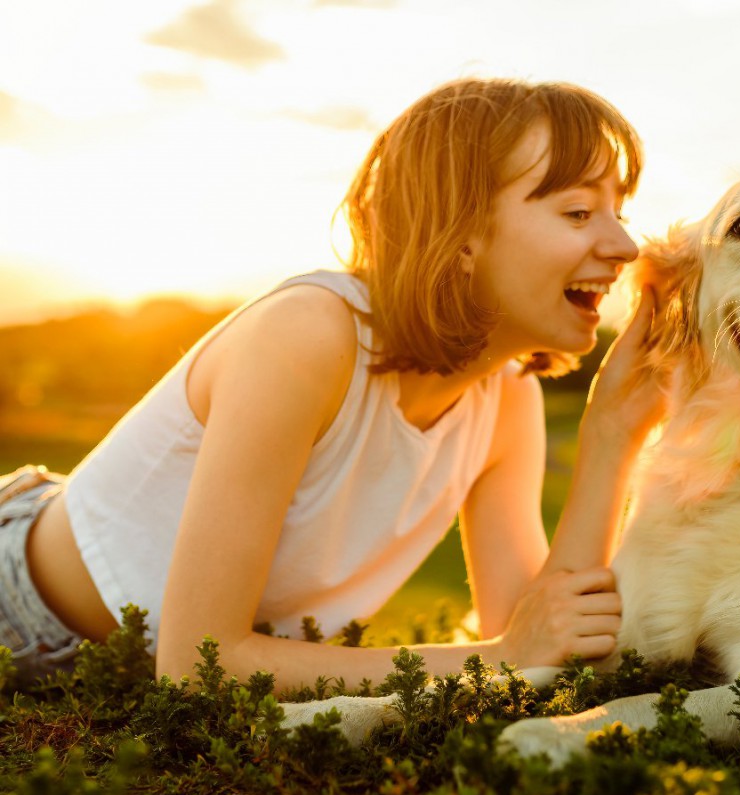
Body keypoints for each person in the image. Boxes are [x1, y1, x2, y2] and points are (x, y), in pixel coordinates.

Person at [0, 78, 667, 692]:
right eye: (579, 212)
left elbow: (546, 635)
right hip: (18, 602)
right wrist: (495, 657)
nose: (625, 246)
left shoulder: (505, 397)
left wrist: (611, 430)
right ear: (462, 232)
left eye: (619, 210)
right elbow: (197, 662)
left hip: (110, 659)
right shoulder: (308, 335)